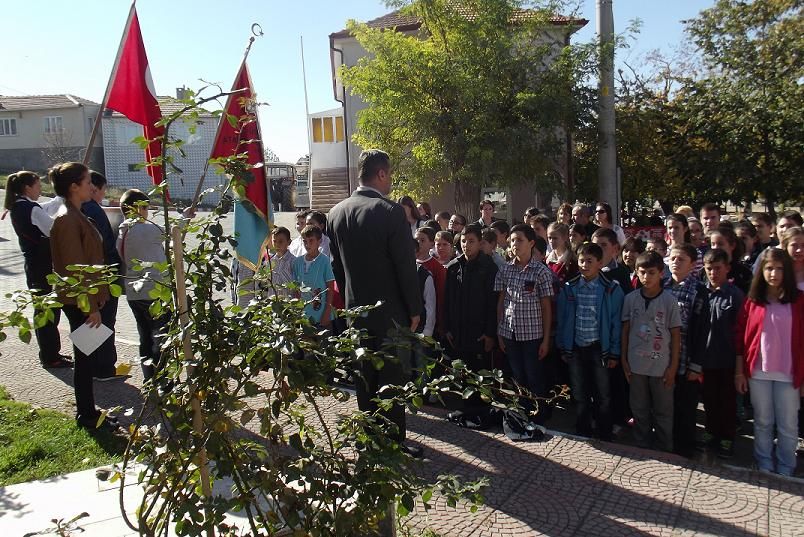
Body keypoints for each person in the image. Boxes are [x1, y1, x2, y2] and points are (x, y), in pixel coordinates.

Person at [327, 149, 423, 458]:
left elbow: (338, 269)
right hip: (391, 314)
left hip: (356, 312)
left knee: (365, 377)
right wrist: (415, 310)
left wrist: (350, 303)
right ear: (381, 174)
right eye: (390, 174)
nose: (391, 180)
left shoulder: (336, 212)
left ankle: (369, 440)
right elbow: (405, 267)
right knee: (391, 379)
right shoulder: (390, 211)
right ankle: (392, 445)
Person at [49, 162, 117, 430]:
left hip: (85, 300)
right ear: (74, 187)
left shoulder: (77, 214)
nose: (92, 186)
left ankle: (88, 410)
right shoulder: (67, 219)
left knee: (86, 357)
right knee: (85, 359)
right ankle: (87, 415)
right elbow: (75, 268)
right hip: (79, 302)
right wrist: (90, 307)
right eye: (87, 181)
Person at [735, 248, 804, 476]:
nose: (774, 273)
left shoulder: (799, 301)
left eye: (779, 268)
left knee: (788, 424)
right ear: (761, 271)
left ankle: (786, 467)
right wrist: (740, 372)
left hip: (789, 374)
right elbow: (741, 340)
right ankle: (764, 463)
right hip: (758, 372)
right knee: (763, 421)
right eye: (769, 268)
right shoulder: (753, 302)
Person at [556, 242, 624, 441]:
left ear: (600, 262)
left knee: (603, 393)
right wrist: (562, 345)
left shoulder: (611, 289)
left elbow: (615, 324)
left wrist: (614, 351)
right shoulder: (570, 287)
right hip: (576, 347)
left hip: (599, 348)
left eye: (589, 261)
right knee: (579, 392)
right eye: (581, 260)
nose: (584, 264)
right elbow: (563, 319)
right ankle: (583, 427)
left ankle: (604, 429)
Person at [4, 171, 71, 368]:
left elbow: (46, 208)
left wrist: (62, 196)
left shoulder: (20, 206)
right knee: (47, 310)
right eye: (37, 185)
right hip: (41, 265)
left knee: (44, 309)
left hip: (33, 265)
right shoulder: (29, 209)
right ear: (27, 187)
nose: (40, 188)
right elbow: (52, 227)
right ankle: (50, 356)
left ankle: (51, 353)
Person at [494, 224, 555, 438]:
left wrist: (546, 339)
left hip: (533, 336)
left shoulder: (541, 271)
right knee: (518, 376)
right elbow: (502, 302)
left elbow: (547, 306)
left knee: (534, 376)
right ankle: (523, 412)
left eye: (519, 240)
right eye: (512, 240)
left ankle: (540, 414)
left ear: (531, 243)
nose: (515, 244)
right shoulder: (505, 269)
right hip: (510, 333)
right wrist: (500, 331)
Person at [621, 251, 682, 451]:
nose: (647, 277)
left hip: (661, 366)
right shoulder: (630, 299)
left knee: (663, 411)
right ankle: (642, 447)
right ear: (637, 273)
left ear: (661, 273)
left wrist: (673, 367)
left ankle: (666, 449)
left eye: (651, 272)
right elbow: (626, 330)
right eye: (642, 272)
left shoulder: (669, 301)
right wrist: (624, 360)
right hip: (636, 366)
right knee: (639, 409)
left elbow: (675, 336)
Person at [443, 224, 499, 427]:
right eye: (464, 241)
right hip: (458, 331)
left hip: (480, 332)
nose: (467, 245)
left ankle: (481, 412)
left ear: (480, 242)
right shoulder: (453, 266)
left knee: (480, 373)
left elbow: (493, 303)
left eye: (471, 241)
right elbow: (448, 300)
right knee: (462, 371)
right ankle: (466, 410)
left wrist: (490, 333)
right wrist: (447, 327)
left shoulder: (489, 267)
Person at [692, 248, 744, 458]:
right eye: (709, 268)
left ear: (727, 269)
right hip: (705, 358)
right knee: (709, 400)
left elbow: (740, 330)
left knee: (727, 401)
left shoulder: (735, 295)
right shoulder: (700, 292)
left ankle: (727, 437)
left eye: (718, 268)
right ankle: (711, 432)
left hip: (727, 359)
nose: (713, 273)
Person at [117, 189, 169, 382]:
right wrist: (185, 216)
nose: (147, 212)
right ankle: (162, 380)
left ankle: (149, 377)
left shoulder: (123, 229)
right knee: (160, 338)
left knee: (145, 337)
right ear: (135, 209)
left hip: (134, 291)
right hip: (154, 291)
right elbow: (174, 233)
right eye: (145, 207)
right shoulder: (145, 229)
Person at [665, 244, 711, 458]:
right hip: (663, 359)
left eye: (681, 259)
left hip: (687, 359)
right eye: (673, 258)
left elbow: (702, 331)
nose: (675, 262)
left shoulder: (699, 291)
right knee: (667, 407)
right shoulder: (662, 285)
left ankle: (685, 449)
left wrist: (696, 364)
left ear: (693, 264)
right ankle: (667, 445)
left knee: (686, 407)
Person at [81, 170, 123, 380]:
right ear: (93, 188)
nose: (102, 194)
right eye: (102, 190)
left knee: (92, 320)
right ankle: (104, 368)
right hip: (104, 273)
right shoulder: (93, 211)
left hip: (88, 274)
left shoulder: (75, 208)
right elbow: (105, 244)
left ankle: (90, 365)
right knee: (105, 320)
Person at [292, 225, 335, 328]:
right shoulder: (297, 262)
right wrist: (297, 312)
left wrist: (327, 312)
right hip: (304, 315)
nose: (307, 244)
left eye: (311, 240)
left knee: (322, 342)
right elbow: (296, 289)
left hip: (321, 314)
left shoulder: (324, 260)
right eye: (305, 241)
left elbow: (330, 288)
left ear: (319, 241)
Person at [415, 226, 447, 336]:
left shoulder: (437, 268)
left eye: (422, 240)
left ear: (432, 244)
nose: (419, 243)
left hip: (428, 323)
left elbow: (440, 297)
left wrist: (440, 325)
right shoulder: (409, 263)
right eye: (416, 240)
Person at [708, 227, 753, 293]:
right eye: (713, 244)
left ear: (732, 245)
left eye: (720, 244)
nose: (716, 248)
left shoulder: (743, 273)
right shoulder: (704, 271)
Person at [592, 228, 631, 292]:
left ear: (615, 248)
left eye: (603, 245)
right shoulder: (585, 269)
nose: (598, 249)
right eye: (595, 245)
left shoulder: (622, 272)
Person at [264, 226, 296, 297]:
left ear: (289, 242)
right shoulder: (270, 262)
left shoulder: (294, 261)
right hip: (272, 302)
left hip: (288, 303)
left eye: (281, 241)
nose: (277, 244)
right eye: (274, 241)